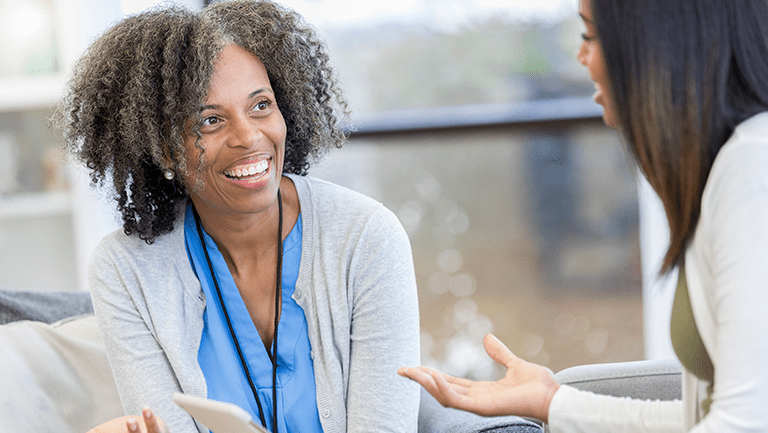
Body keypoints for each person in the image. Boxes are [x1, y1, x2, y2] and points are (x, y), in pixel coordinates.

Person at [399, 0, 768, 431]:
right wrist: (550, 402)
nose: (581, 57)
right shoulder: (727, 167)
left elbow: (743, 424)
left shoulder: (751, 168)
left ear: (656, 45)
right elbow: (699, 417)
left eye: (590, 36)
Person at [54, 1, 420, 432]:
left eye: (261, 105)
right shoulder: (125, 271)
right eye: (210, 121)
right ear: (166, 149)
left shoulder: (367, 239)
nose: (248, 136)